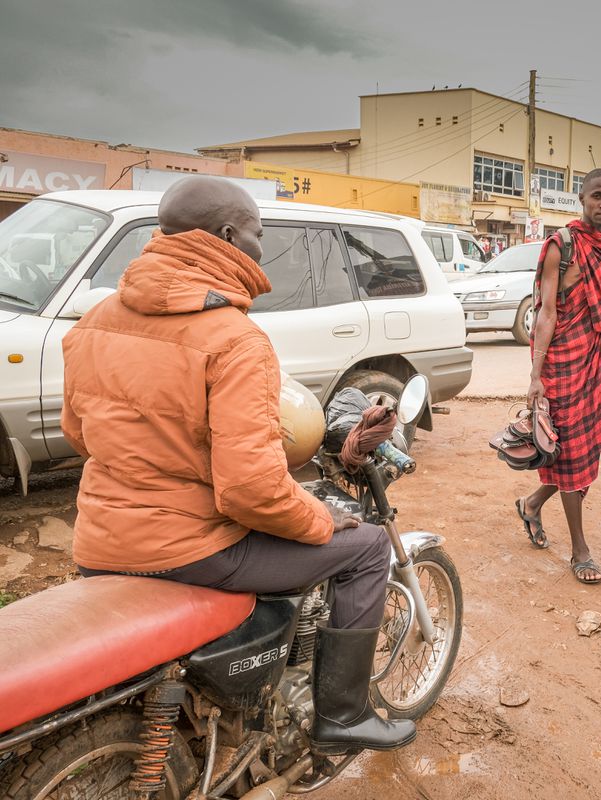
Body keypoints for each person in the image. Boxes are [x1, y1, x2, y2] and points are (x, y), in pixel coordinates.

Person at [62, 176, 415, 754]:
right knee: (368, 546)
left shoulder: (95, 321)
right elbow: (250, 490)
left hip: (101, 541)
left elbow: (81, 436)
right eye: (257, 234)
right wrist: (320, 519)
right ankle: (344, 716)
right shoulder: (234, 339)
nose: (260, 246)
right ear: (228, 236)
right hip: (192, 550)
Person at [515, 168, 601, 585]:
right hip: (563, 365)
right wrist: (536, 374)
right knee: (570, 455)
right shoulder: (561, 246)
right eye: (597, 195)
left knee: (584, 452)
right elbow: (546, 313)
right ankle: (580, 550)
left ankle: (531, 504)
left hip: (599, 364)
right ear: (582, 199)